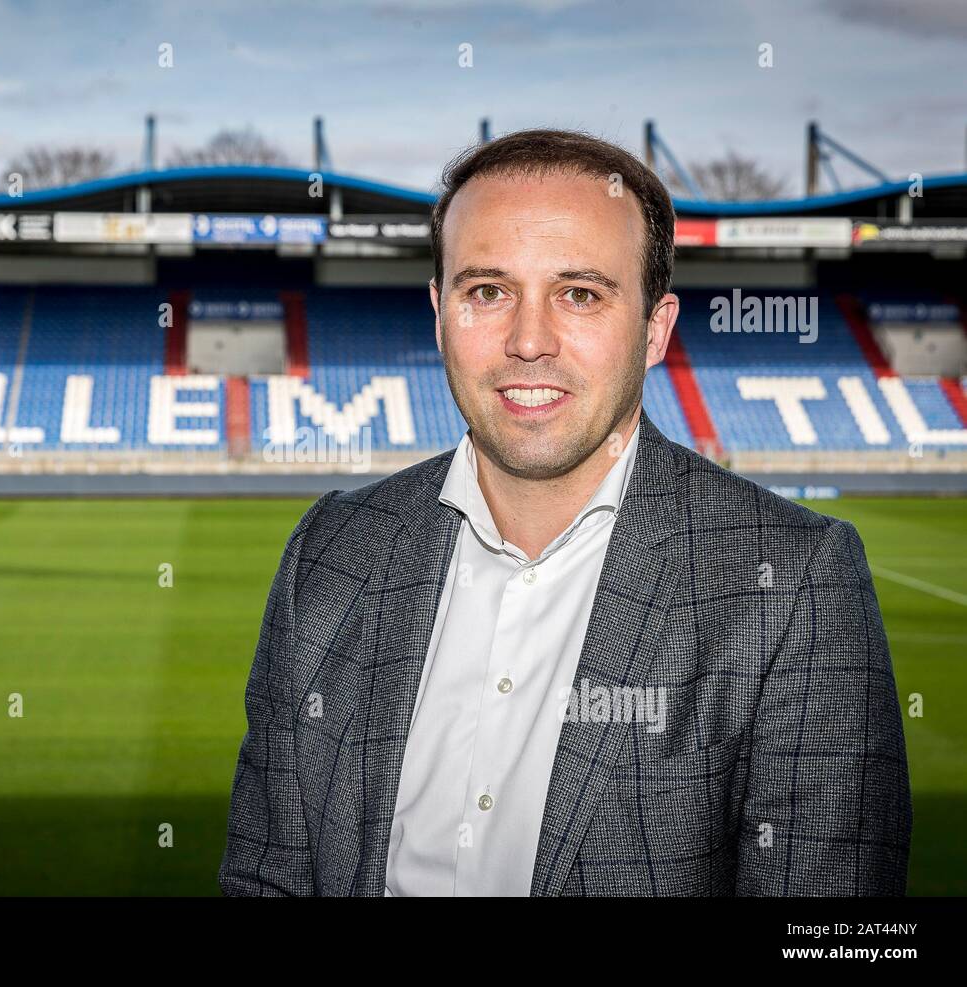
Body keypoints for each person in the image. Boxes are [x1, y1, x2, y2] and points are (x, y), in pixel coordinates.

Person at [218, 129, 913, 896]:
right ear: (439, 312)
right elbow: (265, 876)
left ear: (655, 329)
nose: (528, 341)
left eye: (580, 294)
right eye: (487, 291)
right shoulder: (329, 550)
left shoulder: (795, 583)